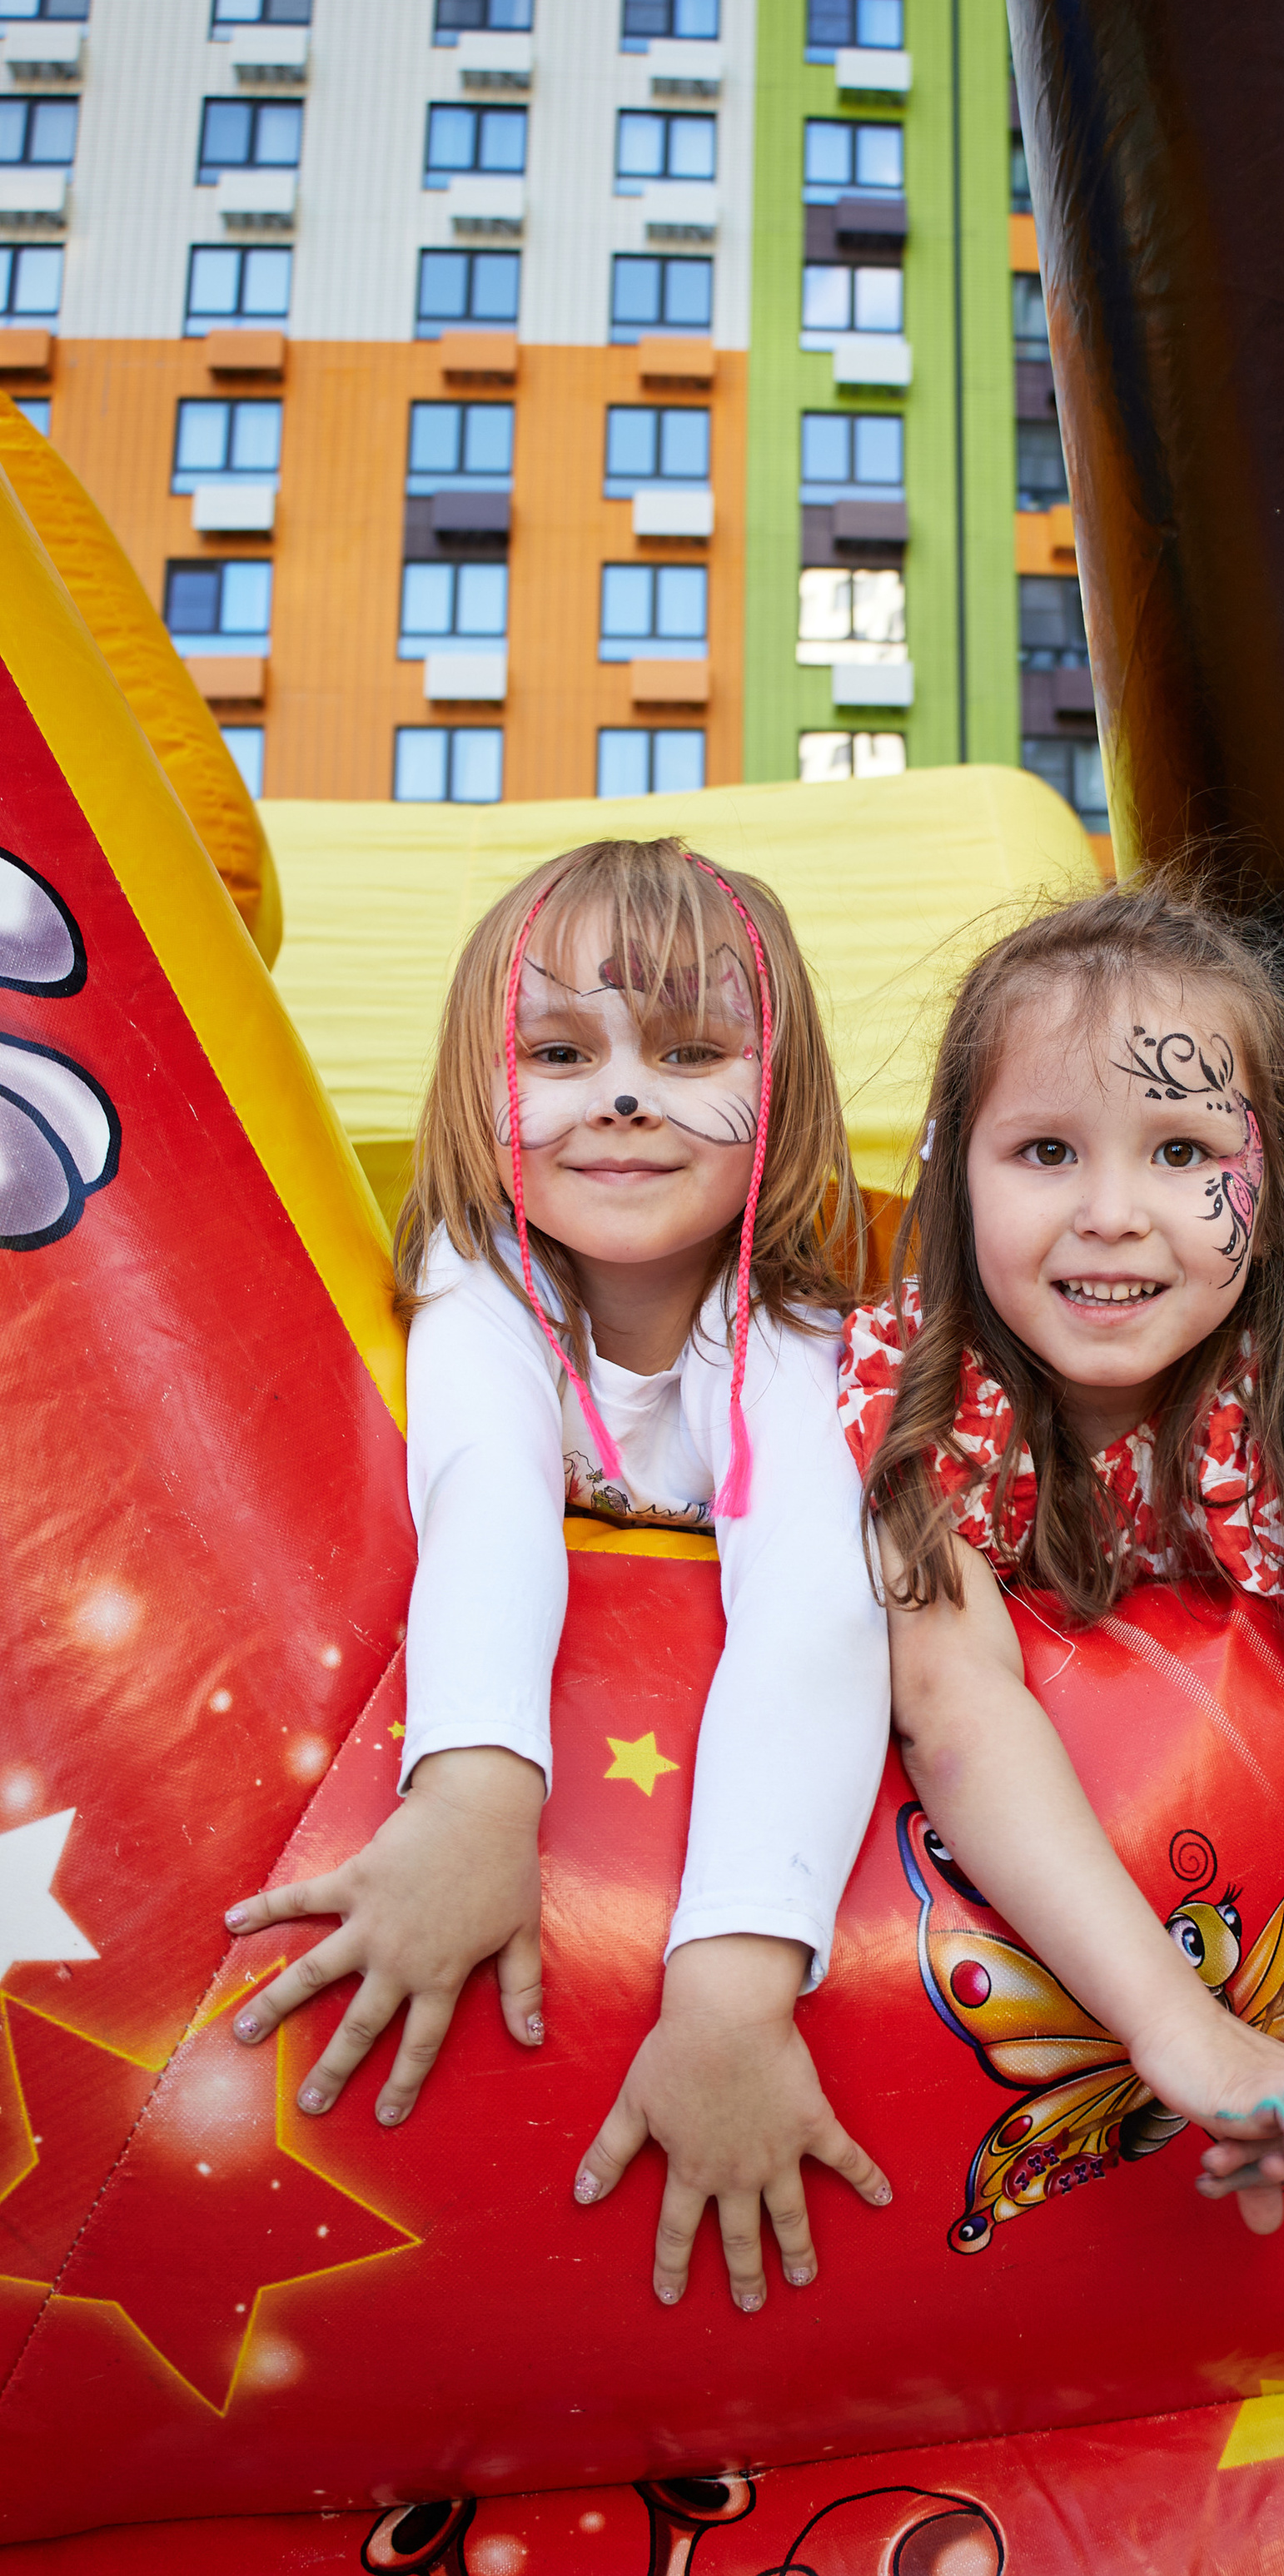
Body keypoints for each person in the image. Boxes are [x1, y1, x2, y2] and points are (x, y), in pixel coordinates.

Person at [221, 838, 893, 2315]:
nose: (628, 1095)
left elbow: (815, 1604)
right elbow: (487, 1496)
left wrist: (732, 1982)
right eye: (560, 1050)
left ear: (778, 1093)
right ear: (484, 1087)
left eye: (694, 1049)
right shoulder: (480, 1280)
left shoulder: (791, 1328)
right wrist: (474, 1791)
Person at [842, 878, 1284, 2265]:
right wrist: (1183, 2033)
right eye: (1047, 1152)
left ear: (1282, 1174)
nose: (1116, 1214)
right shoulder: (921, 1395)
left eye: (1185, 1149)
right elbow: (957, 1707)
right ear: (957, 1164)